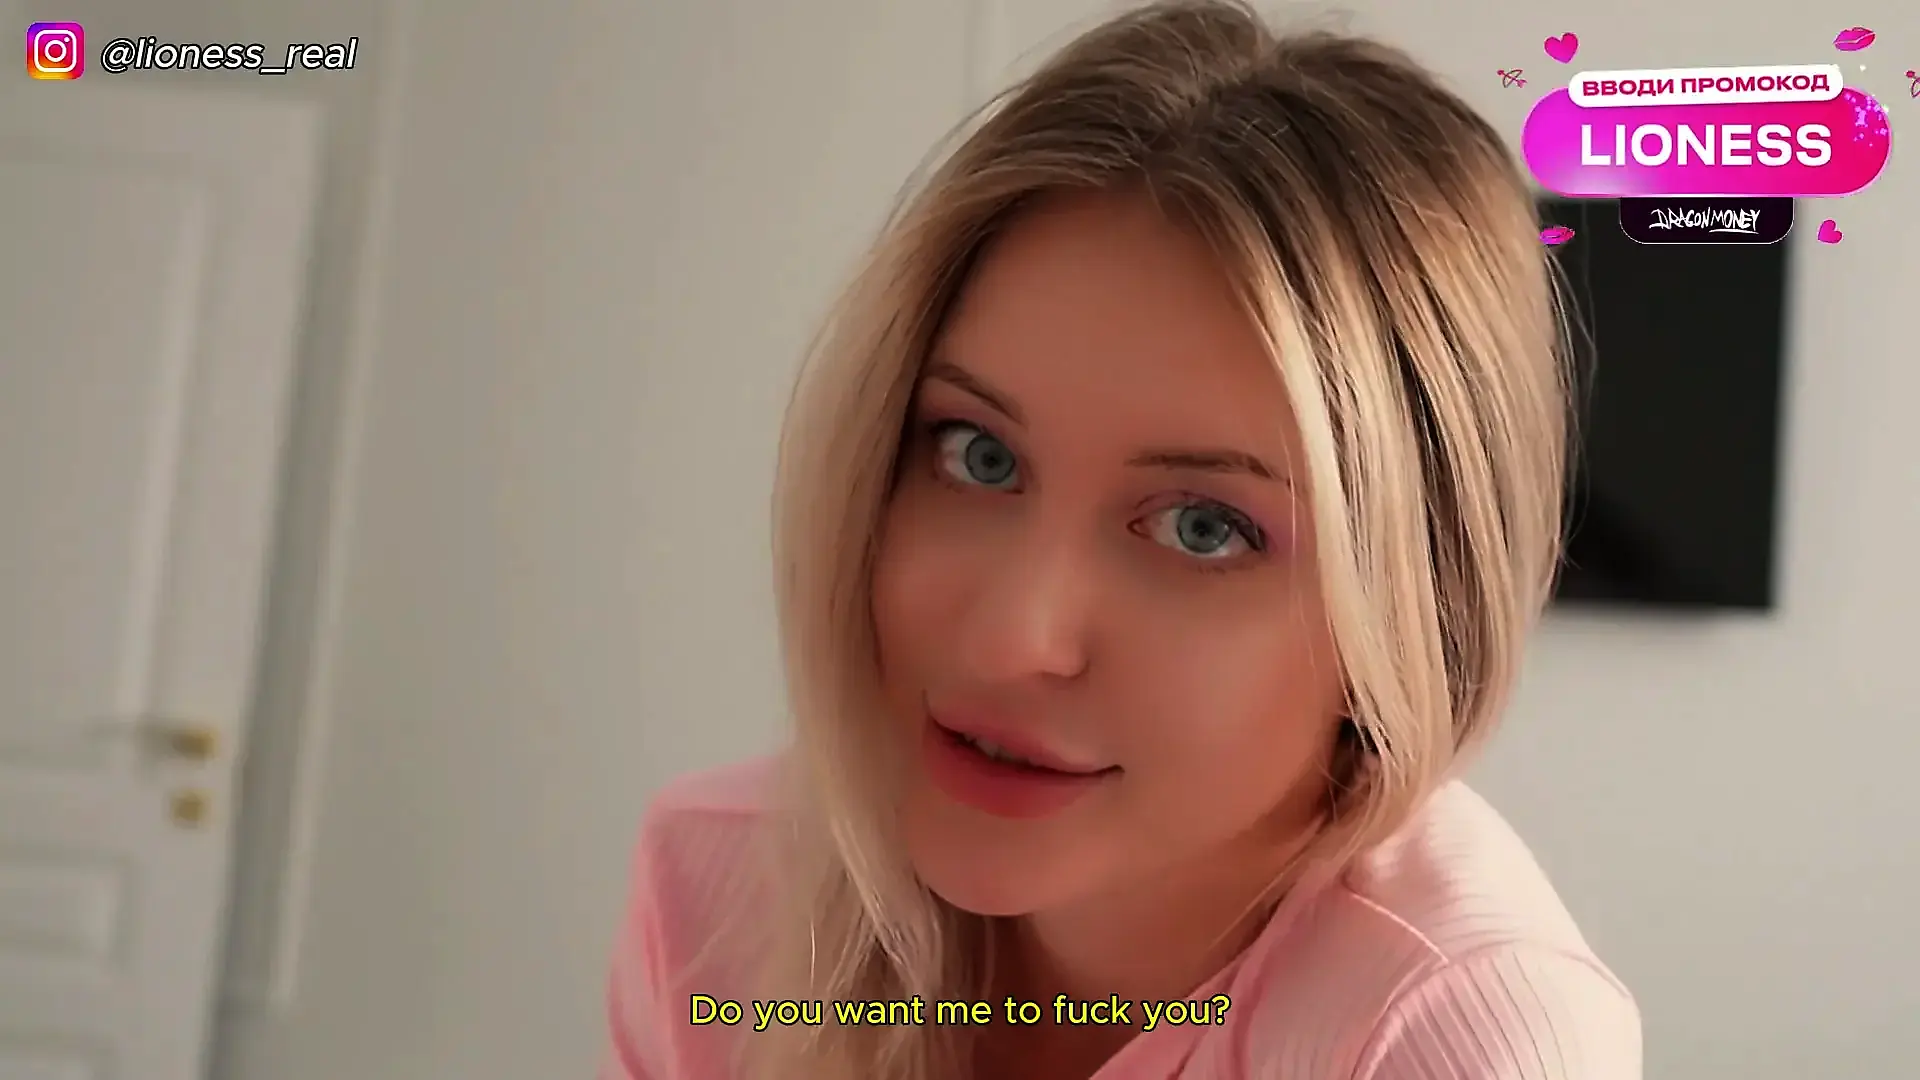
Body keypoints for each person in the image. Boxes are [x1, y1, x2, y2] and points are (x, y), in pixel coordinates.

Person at [602, 2, 1641, 1078]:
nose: (1012, 638)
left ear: (1421, 612)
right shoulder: (715, 891)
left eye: (1203, 528)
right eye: (978, 455)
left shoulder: (1448, 1035)